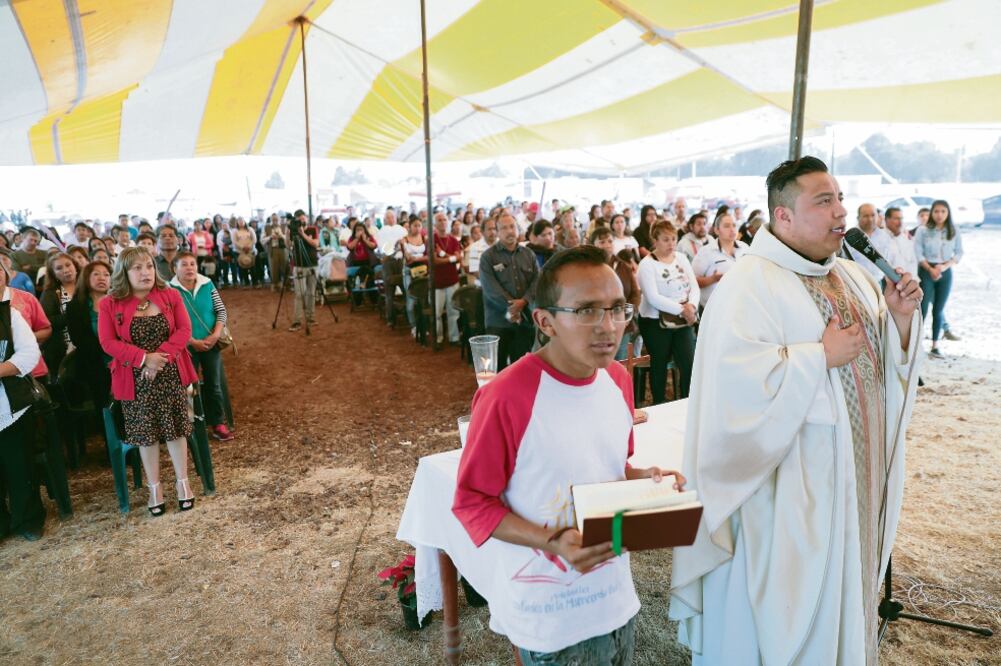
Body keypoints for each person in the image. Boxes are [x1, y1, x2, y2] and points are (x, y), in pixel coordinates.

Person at [670, 156, 922, 665]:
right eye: (823, 201)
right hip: (787, 497)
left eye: (840, 199)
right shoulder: (748, 286)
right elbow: (733, 396)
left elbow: (878, 369)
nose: (840, 212)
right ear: (782, 217)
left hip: (853, 481)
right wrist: (817, 358)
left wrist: (897, 318)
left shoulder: (851, 276)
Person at [452, 245, 684, 666]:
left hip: (615, 599)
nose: (609, 326)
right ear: (545, 321)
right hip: (548, 614)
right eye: (587, 311)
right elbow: (472, 502)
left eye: (617, 309)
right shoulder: (504, 396)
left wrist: (648, 483)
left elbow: (611, 466)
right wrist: (555, 541)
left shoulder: (617, 379)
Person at [98, 247, 198, 516]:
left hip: (169, 373)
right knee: (146, 435)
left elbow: (184, 330)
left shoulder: (170, 295)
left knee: (176, 429)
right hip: (134, 378)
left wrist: (159, 359)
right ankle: (155, 488)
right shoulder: (109, 303)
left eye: (149, 266)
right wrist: (144, 359)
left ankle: (183, 484)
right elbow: (107, 342)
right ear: (124, 273)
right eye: (137, 268)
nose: (146, 273)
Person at [0, 257, 43, 542]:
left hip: (10, 405)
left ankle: (28, 518)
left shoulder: (10, 315)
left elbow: (29, 355)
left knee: (20, 466)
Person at [170, 252, 234, 442]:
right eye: (184, 264)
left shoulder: (207, 284)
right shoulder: (169, 290)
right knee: (187, 387)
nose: (189, 268)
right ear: (175, 269)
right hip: (184, 347)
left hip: (211, 343)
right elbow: (169, 321)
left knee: (214, 385)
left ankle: (218, 423)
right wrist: (190, 341)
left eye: (192, 264)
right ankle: (190, 425)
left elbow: (221, 311)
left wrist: (215, 335)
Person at [636, 220, 699, 403]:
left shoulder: (681, 257)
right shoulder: (647, 264)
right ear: (655, 240)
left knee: (688, 363)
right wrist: (683, 310)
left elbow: (694, 286)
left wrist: (692, 307)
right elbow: (653, 297)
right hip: (655, 322)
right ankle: (658, 404)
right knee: (659, 364)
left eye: (673, 239)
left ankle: (688, 403)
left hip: (683, 318)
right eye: (665, 239)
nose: (671, 243)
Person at [479, 213, 539, 370]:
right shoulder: (488, 257)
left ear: (518, 229)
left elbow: (536, 282)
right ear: (497, 232)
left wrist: (524, 301)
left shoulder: (528, 254)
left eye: (512, 226)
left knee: (521, 366)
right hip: (498, 320)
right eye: (504, 228)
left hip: (525, 319)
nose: (509, 231)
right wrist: (513, 307)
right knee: (496, 368)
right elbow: (491, 288)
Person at [915, 199, 963, 359]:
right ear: (932, 213)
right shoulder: (923, 230)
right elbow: (918, 252)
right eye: (936, 211)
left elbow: (958, 253)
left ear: (948, 213)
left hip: (945, 272)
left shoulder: (953, 230)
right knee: (922, 308)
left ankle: (935, 345)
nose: (939, 215)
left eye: (943, 211)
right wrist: (930, 268)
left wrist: (943, 267)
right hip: (926, 270)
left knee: (939, 309)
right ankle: (916, 343)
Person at [65, 261, 113, 415]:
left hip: (123, 360)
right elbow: (80, 340)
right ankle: (109, 436)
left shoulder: (118, 303)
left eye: (106, 275)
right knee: (104, 406)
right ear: (86, 278)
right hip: (95, 364)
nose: (102, 278)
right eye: (96, 274)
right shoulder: (75, 306)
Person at [591, 227, 641, 361]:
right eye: (602, 242)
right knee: (600, 360)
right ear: (593, 244)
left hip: (622, 322)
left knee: (620, 361)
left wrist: (627, 315)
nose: (607, 245)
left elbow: (635, 294)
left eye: (610, 241)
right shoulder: (588, 268)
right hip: (596, 322)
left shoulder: (623, 266)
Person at [691, 213, 748, 310]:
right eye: (726, 226)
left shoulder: (744, 248)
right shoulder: (706, 252)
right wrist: (713, 279)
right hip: (714, 308)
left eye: (734, 225)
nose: (732, 229)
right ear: (717, 230)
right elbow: (692, 281)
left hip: (740, 306)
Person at [38, 252, 78, 378]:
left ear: (75, 266)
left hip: (89, 344)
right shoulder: (50, 293)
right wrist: (73, 316)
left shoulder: (85, 287)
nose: (66, 270)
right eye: (59, 268)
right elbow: (46, 321)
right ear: (53, 273)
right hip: (62, 348)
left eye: (68, 265)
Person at [430, 212, 462, 345]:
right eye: (439, 220)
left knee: (453, 311)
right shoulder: (431, 240)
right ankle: (438, 338)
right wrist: (451, 259)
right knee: (436, 313)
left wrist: (443, 254)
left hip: (452, 280)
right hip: (437, 282)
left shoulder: (453, 240)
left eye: (444, 219)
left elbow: (459, 257)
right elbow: (434, 261)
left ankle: (454, 338)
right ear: (435, 224)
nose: (443, 222)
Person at [287, 210, 319, 332]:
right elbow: (287, 245)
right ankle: (297, 321)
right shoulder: (293, 232)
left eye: (303, 219)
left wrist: (303, 234)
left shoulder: (312, 229)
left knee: (311, 293)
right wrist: (288, 231)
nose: (302, 221)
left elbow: (315, 244)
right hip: (299, 266)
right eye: (299, 220)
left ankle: (311, 318)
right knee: (299, 294)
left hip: (312, 264)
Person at [846, 203, 895, 283]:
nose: (870, 219)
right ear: (858, 218)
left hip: (879, 281)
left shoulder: (884, 236)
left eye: (873, 215)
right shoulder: (851, 237)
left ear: (878, 216)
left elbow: (889, 259)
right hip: (858, 282)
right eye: (866, 216)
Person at [884, 206, 918, 277]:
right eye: (896, 219)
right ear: (887, 220)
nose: (900, 222)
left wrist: (910, 276)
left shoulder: (906, 238)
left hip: (909, 279)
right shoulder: (881, 238)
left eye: (901, 218)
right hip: (890, 280)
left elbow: (913, 261)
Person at [266, 217, 290, 290]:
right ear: (271, 221)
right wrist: (270, 237)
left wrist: (281, 236)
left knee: (285, 266)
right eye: (273, 220)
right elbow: (262, 239)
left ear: (279, 220)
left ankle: (286, 285)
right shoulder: (267, 228)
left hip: (283, 249)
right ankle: (275, 284)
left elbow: (288, 238)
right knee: (273, 267)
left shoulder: (284, 226)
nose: (275, 221)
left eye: (276, 220)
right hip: (273, 249)